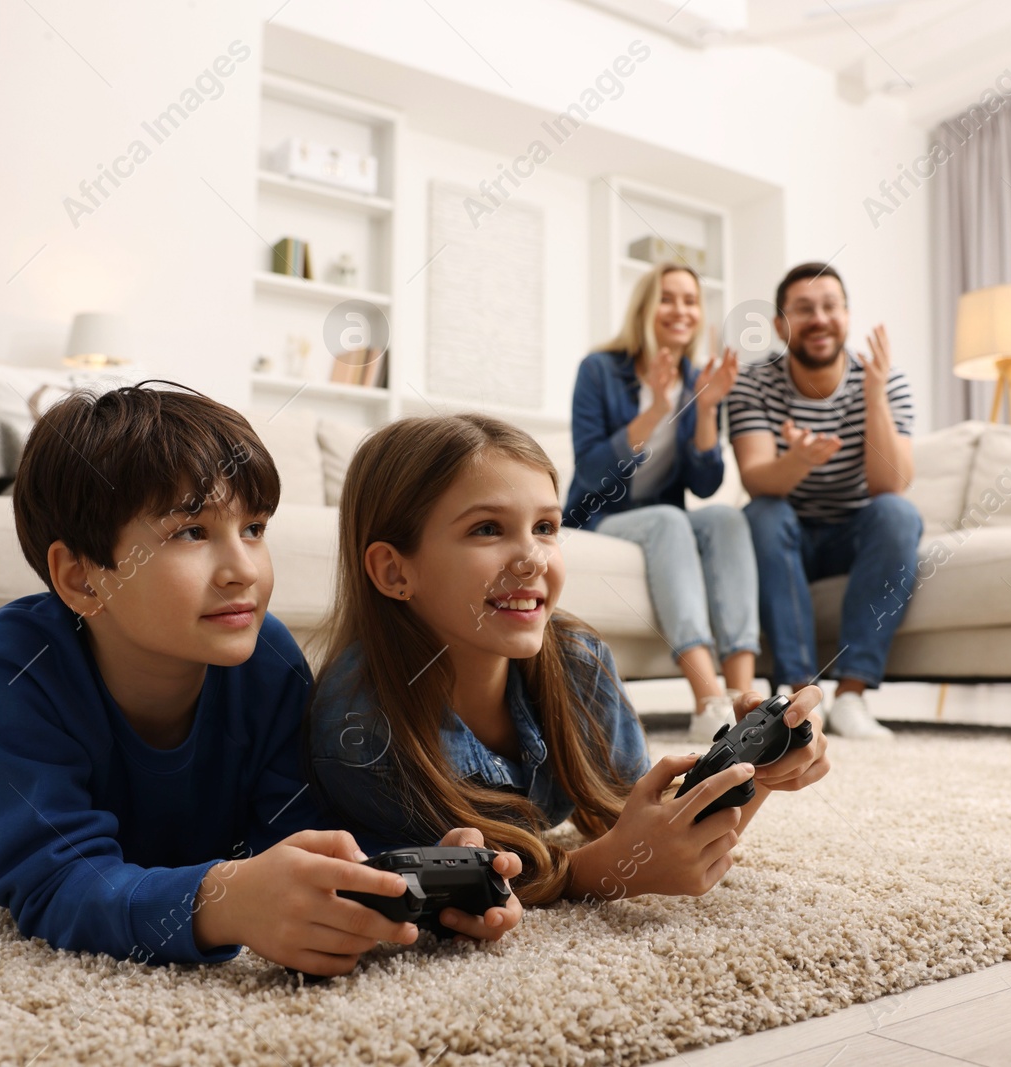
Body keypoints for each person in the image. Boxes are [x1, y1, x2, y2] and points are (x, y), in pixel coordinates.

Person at [0, 382, 521, 973]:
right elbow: (54, 883)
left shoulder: (266, 659)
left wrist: (400, 872)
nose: (243, 568)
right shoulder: (20, 664)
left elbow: (294, 830)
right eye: (192, 531)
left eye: (254, 529)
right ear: (80, 578)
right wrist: (218, 901)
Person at [307, 413, 830, 906]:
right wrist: (592, 874)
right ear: (395, 572)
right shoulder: (362, 730)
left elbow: (640, 825)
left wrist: (751, 774)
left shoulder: (579, 660)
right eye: (487, 528)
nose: (532, 557)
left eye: (545, 527)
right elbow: (456, 882)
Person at [564, 262, 758, 744]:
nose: (681, 310)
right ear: (646, 307)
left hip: (664, 514)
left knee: (727, 518)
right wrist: (654, 409)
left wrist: (708, 407)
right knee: (670, 520)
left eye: (690, 300)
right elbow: (590, 471)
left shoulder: (699, 377)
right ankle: (707, 700)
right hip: (600, 516)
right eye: (668, 298)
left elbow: (707, 483)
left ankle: (747, 699)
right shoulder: (600, 370)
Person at [728, 262, 922, 739]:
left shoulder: (886, 380)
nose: (819, 319)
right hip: (785, 533)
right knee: (763, 514)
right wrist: (798, 460)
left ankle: (851, 697)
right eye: (803, 309)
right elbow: (757, 480)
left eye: (830, 306)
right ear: (779, 325)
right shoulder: (753, 383)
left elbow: (890, 484)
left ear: (847, 316)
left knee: (898, 514)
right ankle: (799, 697)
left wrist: (874, 397)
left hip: (854, 535)